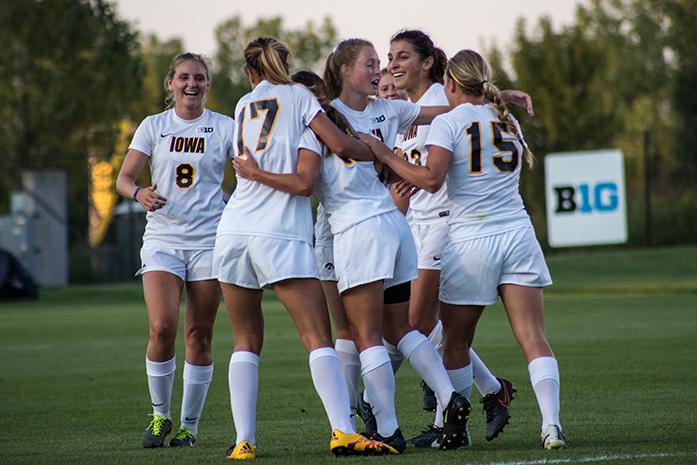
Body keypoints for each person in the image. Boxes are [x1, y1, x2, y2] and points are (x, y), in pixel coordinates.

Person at [361, 48, 566, 450]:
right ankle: (551, 426)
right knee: (534, 338)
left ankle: (454, 429)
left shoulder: (450, 121)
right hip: (518, 234)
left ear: (450, 84)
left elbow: (432, 179)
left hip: (470, 239)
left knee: (454, 341)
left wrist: (384, 155)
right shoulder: (506, 121)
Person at [212, 37, 397, 459]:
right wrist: (377, 150)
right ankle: (343, 430)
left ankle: (244, 442)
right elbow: (334, 148)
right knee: (318, 338)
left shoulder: (242, 105)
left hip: (233, 231)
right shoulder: (298, 97)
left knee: (244, 340)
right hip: (278, 233)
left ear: (248, 72)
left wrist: (257, 173)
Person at [321, 39, 472, 452]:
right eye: (370, 64)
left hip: (358, 231)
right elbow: (453, 112)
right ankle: (450, 395)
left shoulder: (323, 117)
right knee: (399, 329)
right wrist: (493, 100)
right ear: (345, 69)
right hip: (396, 226)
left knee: (366, 337)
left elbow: (449, 111)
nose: (379, 71)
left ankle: (387, 430)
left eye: (378, 64)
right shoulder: (388, 109)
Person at [388, 29, 517, 446]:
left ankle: (450, 411)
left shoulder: (439, 107)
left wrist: (505, 96)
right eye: (390, 56)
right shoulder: (409, 109)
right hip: (415, 226)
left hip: (444, 223)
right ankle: (490, 393)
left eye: (402, 56)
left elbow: (473, 104)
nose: (392, 65)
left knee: (417, 326)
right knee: (431, 328)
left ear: (429, 63)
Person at [116, 52, 231, 448]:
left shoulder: (225, 127)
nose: (191, 84)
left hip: (209, 242)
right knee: (162, 327)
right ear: (170, 83)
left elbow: (249, 169)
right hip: (163, 239)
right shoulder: (154, 126)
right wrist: (138, 192)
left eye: (199, 77)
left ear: (207, 84)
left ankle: (189, 426)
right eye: (183, 77)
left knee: (199, 334)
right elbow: (124, 177)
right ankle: (159, 416)